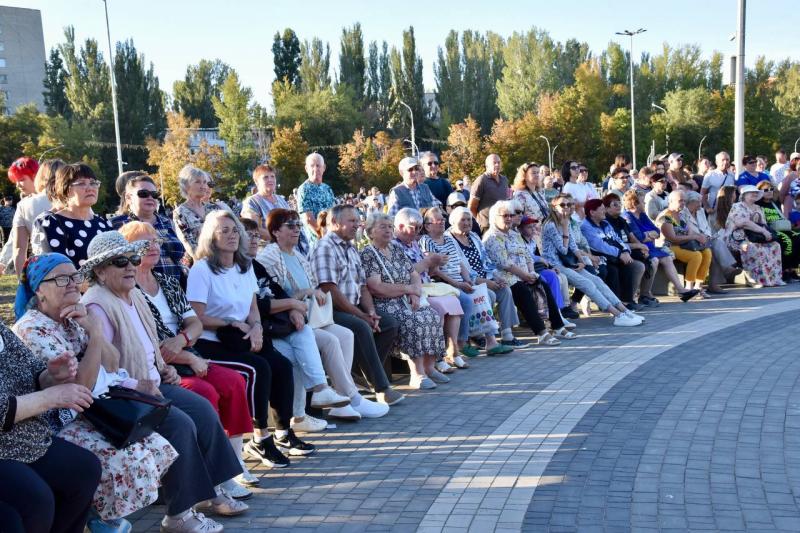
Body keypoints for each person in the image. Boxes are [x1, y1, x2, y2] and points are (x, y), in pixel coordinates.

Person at [80, 231, 247, 533]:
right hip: (122, 396)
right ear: (100, 272)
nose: (131, 266)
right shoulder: (97, 305)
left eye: (132, 259)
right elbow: (106, 369)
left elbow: (149, 345)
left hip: (152, 383)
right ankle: (178, 516)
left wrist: (163, 368)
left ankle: (210, 492)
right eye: (120, 262)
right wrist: (139, 384)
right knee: (180, 424)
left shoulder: (132, 295)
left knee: (203, 411)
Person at [13, 253, 179, 530]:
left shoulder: (72, 319)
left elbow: (112, 363)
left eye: (74, 277)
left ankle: (100, 514)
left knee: (156, 445)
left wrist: (92, 329)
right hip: (52, 420)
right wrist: (97, 337)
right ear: (39, 289)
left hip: (85, 410)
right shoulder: (32, 329)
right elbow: (82, 386)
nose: (71, 284)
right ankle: (100, 517)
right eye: (60, 279)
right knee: (127, 459)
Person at [119, 221, 259, 493]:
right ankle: (213, 475)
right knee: (204, 392)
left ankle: (236, 464)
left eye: (156, 241)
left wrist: (182, 341)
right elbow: (146, 343)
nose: (153, 247)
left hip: (187, 351)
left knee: (233, 382)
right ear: (128, 250)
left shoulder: (167, 282)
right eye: (144, 242)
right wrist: (186, 355)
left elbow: (194, 322)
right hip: (160, 367)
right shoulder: (129, 291)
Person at [184, 210, 316, 469]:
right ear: (211, 236)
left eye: (235, 230)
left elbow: (253, 306)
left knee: (281, 366)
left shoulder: (244, 266)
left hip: (244, 335)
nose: (232, 235)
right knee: (259, 369)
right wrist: (231, 323)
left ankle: (283, 432)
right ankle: (259, 438)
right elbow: (197, 316)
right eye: (224, 230)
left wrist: (256, 328)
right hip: (213, 340)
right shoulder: (201, 270)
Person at [255, 212, 388, 419]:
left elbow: (315, 289)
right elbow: (275, 296)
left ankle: (342, 401)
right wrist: (305, 295)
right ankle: (352, 398)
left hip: (310, 317)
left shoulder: (298, 257)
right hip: (287, 321)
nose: (297, 229)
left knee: (346, 334)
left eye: (298, 224)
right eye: (290, 225)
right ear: (275, 231)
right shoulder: (269, 258)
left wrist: (310, 295)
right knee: (332, 339)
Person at [0, 316, 102, 533]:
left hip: (23, 437)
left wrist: (53, 376)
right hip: (4, 447)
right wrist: (50, 397)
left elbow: (33, 371)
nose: (73, 284)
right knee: (35, 499)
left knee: (84, 469)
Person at [310, 204, 404, 406]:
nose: (357, 224)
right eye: (351, 221)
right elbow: (329, 290)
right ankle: (381, 387)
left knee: (388, 323)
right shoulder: (325, 247)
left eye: (357, 220)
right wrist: (361, 316)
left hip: (353, 306)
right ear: (335, 223)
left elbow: (362, 287)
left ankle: (360, 374)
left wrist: (370, 311)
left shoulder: (351, 248)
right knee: (361, 327)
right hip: (329, 311)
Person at [359, 212, 452, 389]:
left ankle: (430, 367)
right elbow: (376, 286)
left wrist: (415, 293)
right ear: (370, 232)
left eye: (389, 226)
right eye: (383, 227)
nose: (388, 230)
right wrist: (408, 289)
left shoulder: (396, 249)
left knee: (432, 315)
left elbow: (414, 274)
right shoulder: (368, 254)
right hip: (385, 303)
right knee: (414, 320)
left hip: (406, 299)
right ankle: (417, 374)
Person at [420, 207, 512, 356]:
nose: (443, 222)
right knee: (469, 300)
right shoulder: (426, 241)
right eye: (439, 220)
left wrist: (468, 280)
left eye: (443, 219)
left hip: (460, 281)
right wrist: (458, 284)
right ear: (428, 225)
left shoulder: (449, 239)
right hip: (444, 284)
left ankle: (491, 341)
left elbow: (461, 263)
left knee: (483, 293)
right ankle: (463, 342)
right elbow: (435, 271)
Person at [541, 194, 643, 326]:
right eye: (562, 205)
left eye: (568, 204)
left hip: (569, 263)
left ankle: (624, 311)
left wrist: (582, 261)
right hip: (555, 264)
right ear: (554, 208)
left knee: (597, 280)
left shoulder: (566, 221)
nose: (566, 207)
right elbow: (563, 250)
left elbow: (573, 247)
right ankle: (617, 315)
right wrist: (565, 229)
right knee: (587, 284)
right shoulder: (550, 225)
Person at [483, 200, 577, 343]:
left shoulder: (513, 234)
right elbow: (505, 264)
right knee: (523, 290)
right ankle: (541, 333)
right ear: (495, 217)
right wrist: (525, 276)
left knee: (543, 284)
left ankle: (557, 326)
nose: (509, 218)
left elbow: (527, 255)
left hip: (524, 274)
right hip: (504, 277)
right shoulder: (492, 237)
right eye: (505, 216)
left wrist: (532, 273)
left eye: (511, 215)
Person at [392, 207, 474, 361]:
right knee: (439, 308)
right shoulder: (395, 246)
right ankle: (437, 357)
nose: (417, 232)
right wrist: (428, 261)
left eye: (419, 228)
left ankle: (453, 348)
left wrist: (433, 265)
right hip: (412, 290)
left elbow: (427, 273)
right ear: (401, 226)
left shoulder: (413, 243)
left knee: (454, 302)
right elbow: (404, 274)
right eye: (414, 228)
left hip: (426, 286)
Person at [447, 206, 530, 347]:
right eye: (463, 220)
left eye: (469, 219)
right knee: (489, 294)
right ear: (453, 221)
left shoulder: (473, 236)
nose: (467, 223)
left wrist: (496, 277)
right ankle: (480, 335)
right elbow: (459, 269)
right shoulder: (449, 239)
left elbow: (486, 261)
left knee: (505, 290)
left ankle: (507, 335)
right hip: (465, 281)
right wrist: (484, 282)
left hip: (485, 278)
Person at [621, 191, 700, 301]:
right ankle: (645, 294)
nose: (645, 204)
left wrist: (648, 234)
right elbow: (639, 237)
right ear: (634, 203)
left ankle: (681, 290)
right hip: (639, 250)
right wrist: (649, 234)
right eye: (643, 202)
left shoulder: (642, 215)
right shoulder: (627, 216)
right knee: (654, 260)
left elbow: (657, 231)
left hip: (650, 248)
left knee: (667, 257)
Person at [31, 163, 111, 268]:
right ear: (66, 189)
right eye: (81, 183)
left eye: (93, 183)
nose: (90, 188)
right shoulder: (51, 223)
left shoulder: (103, 223)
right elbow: (57, 268)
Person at [111, 174, 186, 282]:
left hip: (175, 288)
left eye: (154, 194)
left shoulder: (167, 222)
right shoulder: (117, 224)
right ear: (128, 197)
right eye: (143, 194)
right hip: (139, 291)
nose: (150, 198)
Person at [580, 199, 646, 311]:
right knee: (612, 270)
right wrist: (620, 254)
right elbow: (599, 245)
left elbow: (617, 239)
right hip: (598, 256)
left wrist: (625, 251)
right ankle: (614, 304)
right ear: (592, 212)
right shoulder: (586, 226)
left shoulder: (605, 223)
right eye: (601, 209)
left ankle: (626, 301)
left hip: (613, 256)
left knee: (628, 266)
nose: (604, 211)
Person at [724, 185, 785, 287]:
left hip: (756, 237)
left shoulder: (758, 207)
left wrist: (767, 233)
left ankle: (774, 278)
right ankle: (756, 279)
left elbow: (763, 223)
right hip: (738, 237)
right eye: (751, 192)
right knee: (753, 247)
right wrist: (762, 231)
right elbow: (742, 223)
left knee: (775, 245)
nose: (754, 194)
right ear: (744, 195)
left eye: (756, 192)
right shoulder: (738, 206)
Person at [655, 191, 713, 296]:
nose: (683, 203)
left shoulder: (681, 214)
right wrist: (693, 237)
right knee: (695, 256)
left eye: (684, 201)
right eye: (680, 201)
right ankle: (689, 287)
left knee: (707, 252)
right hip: (669, 246)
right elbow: (673, 238)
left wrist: (695, 237)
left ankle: (698, 287)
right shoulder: (666, 216)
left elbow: (689, 230)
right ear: (671, 201)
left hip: (684, 244)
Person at [172, 165, 228, 260]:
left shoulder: (214, 208)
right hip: (202, 263)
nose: (203, 186)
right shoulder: (180, 213)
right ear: (186, 186)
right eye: (198, 182)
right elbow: (190, 246)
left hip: (224, 260)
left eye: (205, 182)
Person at [240, 164, 290, 243]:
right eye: (265, 177)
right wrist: (280, 238)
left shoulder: (281, 199)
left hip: (289, 247)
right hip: (268, 250)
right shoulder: (251, 202)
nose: (270, 180)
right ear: (257, 182)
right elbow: (254, 229)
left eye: (272, 176)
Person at [296, 153, 336, 250]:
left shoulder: (327, 189)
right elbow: (308, 220)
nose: (315, 169)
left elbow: (334, 214)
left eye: (318, 165)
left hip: (330, 238)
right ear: (306, 168)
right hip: (314, 241)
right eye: (312, 166)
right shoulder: (304, 189)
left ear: (324, 168)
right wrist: (323, 237)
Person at [469, 154, 510, 232]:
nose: (497, 165)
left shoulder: (504, 180)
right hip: (487, 227)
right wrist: (480, 221)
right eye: (494, 163)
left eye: (499, 162)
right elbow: (472, 206)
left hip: (503, 225)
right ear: (487, 166)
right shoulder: (481, 180)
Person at [512, 161, 550, 244]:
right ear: (524, 176)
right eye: (533, 173)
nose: (537, 175)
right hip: (533, 236)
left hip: (547, 233)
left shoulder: (539, 192)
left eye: (538, 172)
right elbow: (518, 217)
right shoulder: (520, 195)